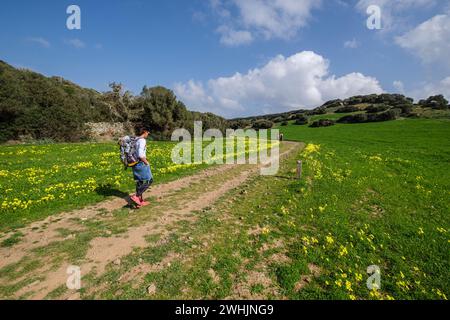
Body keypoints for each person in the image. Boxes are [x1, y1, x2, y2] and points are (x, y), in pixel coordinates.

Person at [129, 127, 153, 207]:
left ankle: (139, 201)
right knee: (150, 180)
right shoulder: (142, 140)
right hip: (140, 163)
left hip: (134, 163)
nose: (148, 134)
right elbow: (140, 154)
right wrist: (146, 162)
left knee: (140, 181)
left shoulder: (136, 140)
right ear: (145, 132)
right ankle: (136, 196)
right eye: (148, 132)